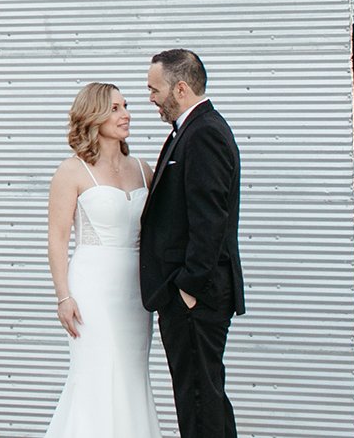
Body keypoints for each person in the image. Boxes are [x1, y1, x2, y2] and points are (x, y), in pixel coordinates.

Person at [42, 81, 159, 438]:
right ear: (93, 115)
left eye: (125, 106)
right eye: (115, 108)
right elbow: (57, 239)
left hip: (136, 291)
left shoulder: (143, 169)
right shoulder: (72, 171)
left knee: (131, 373)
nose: (126, 114)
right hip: (92, 287)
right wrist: (64, 296)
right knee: (95, 370)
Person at [141, 48, 244, 438]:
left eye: (154, 89)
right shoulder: (190, 130)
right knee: (204, 399)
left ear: (180, 88)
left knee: (199, 401)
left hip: (196, 299)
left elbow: (210, 219)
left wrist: (189, 287)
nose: (150, 98)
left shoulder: (204, 134)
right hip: (192, 296)